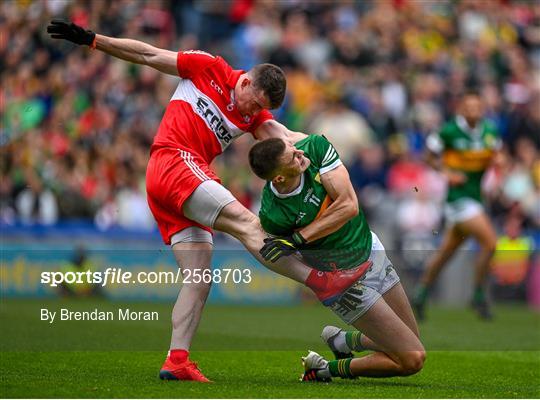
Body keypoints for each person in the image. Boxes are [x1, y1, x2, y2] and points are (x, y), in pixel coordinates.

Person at [46, 20, 367, 382]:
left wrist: (325, 154)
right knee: (249, 225)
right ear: (245, 80)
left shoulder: (254, 115)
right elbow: (149, 55)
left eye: (260, 110)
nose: (252, 113)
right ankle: (320, 281)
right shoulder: (207, 67)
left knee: (199, 276)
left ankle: (177, 360)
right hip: (173, 161)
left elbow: (286, 136)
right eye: (254, 102)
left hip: (171, 185)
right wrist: (92, 40)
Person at [249, 135, 425, 381]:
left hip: (370, 250)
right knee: (413, 358)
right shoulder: (273, 216)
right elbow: (290, 257)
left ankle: (343, 340)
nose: (300, 155)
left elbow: (349, 206)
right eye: (293, 156)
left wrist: (299, 238)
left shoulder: (315, 147)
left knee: (411, 342)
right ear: (278, 177)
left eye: (293, 148)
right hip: (345, 283)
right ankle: (322, 370)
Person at [412, 91, 500, 321]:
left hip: (476, 198)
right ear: (461, 108)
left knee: (446, 253)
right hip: (458, 199)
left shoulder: (490, 132)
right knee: (490, 242)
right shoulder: (449, 131)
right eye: (468, 106)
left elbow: (497, 157)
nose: (473, 110)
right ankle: (478, 294)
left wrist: (501, 162)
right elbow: (428, 157)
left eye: (477, 106)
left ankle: (420, 293)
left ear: (482, 108)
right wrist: (446, 172)